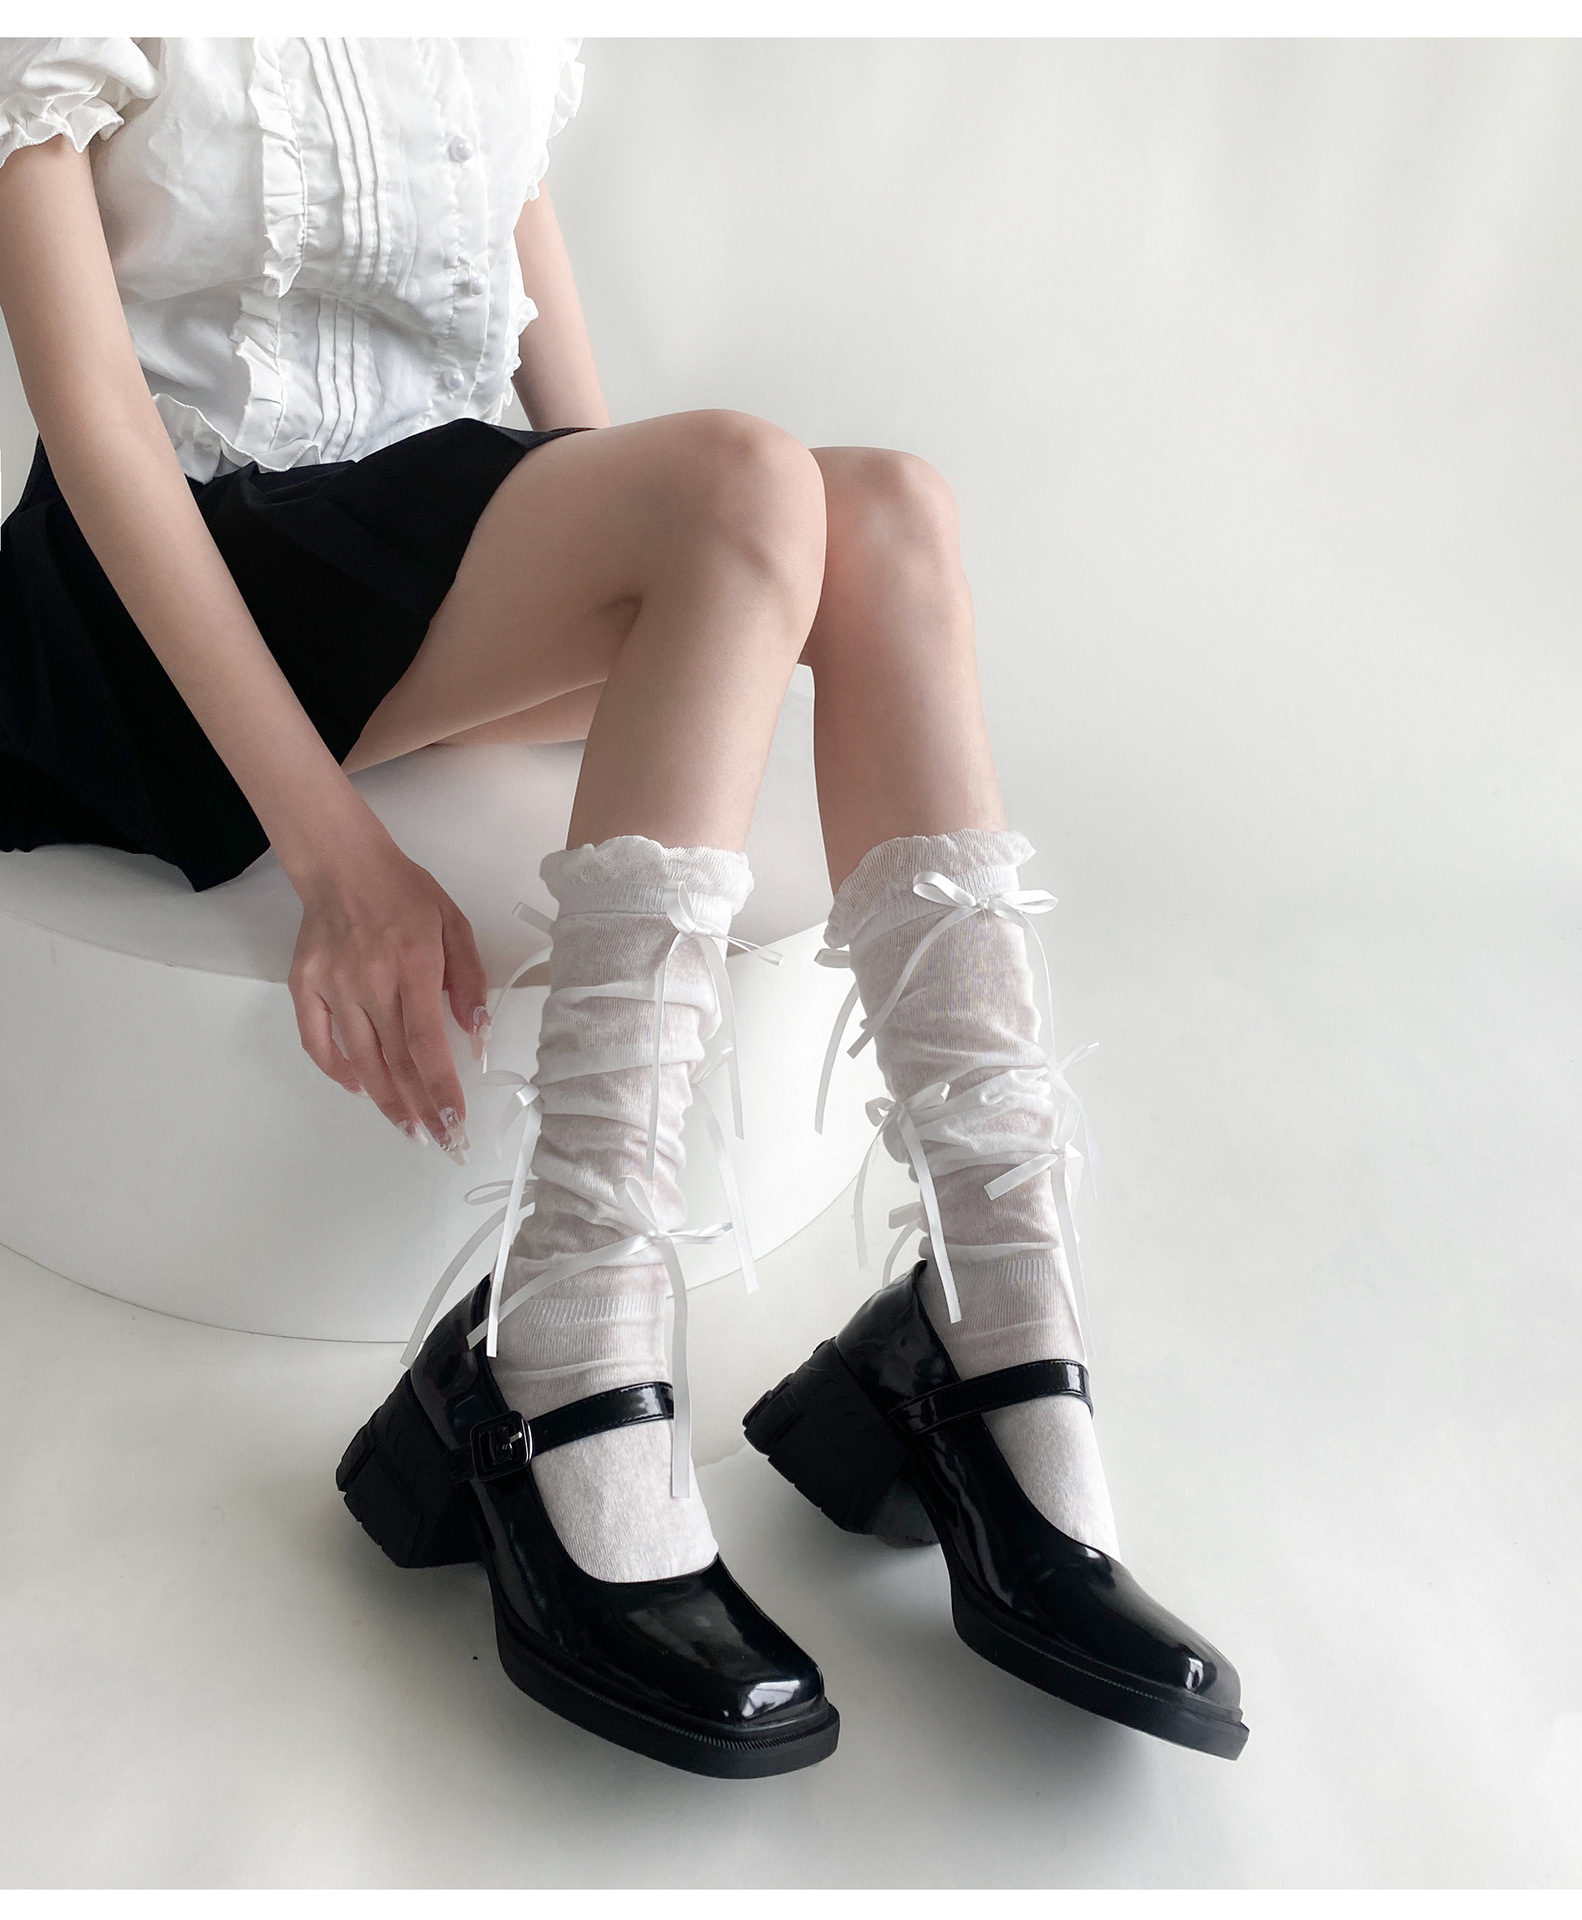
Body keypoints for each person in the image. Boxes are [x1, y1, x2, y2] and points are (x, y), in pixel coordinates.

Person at [0, 36, 1247, 1778]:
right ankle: (564, 1337)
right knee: (748, 482)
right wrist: (339, 860)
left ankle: (992, 1311)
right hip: (156, 595)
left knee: (884, 515)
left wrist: (683, 587)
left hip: (409, 537)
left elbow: (577, 425)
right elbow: (95, 433)